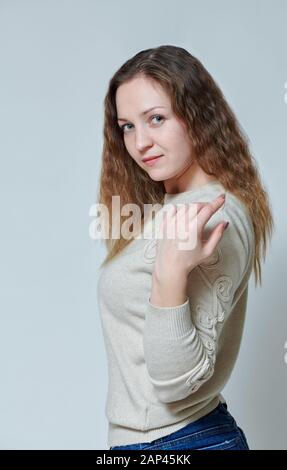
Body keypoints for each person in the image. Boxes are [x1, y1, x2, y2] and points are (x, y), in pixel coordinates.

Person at [96, 45, 274, 450]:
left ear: (198, 116)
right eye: (127, 126)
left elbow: (178, 382)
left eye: (156, 119)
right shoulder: (171, 209)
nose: (141, 142)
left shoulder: (210, 215)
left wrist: (169, 272)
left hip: (179, 441)